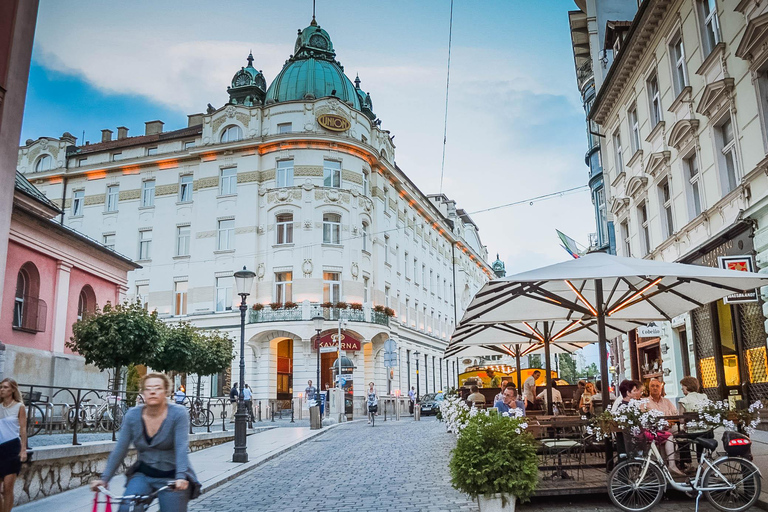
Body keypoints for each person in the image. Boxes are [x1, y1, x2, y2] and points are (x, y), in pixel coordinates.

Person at [91, 373, 194, 512]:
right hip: (144, 474)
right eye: (148, 388)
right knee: (127, 507)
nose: (152, 391)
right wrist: (104, 479)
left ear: (166, 392)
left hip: (172, 476)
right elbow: (120, 449)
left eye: (157, 388)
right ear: (143, 393)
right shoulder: (132, 415)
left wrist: (181, 477)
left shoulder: (178, 413)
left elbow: (181, 447)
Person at [644, 379, 683, 476]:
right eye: (652, 386)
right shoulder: (644, 402)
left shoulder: (667, 401)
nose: (655, 388)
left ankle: (682, 462)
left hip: (668, 427)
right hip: (653, 429)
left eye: (657, 386)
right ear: (649, 388)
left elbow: (675, 415)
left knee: (682, 432)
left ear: (661, 388)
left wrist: (670, 423)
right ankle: (670, 464)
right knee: (670, 437)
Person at [0, 378, 27, 512]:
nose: (2, 390)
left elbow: (23, 429)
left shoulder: (19, 407)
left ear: (12, 390)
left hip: (12, 448)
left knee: (7, 488)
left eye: (5, 387)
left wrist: (23, 450)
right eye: (1, 387)